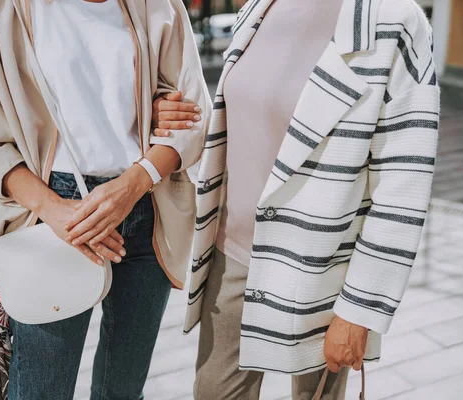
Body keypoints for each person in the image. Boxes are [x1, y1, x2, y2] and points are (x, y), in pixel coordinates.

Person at [154, 0, 440, 398]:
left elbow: (403, 186)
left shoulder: (392, 19)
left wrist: (358, 312)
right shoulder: (258, 6)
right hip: (230, 256)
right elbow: (242, 114)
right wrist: (164, 111)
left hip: (320, 272)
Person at [0, 0, 211, 398]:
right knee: (42, 390)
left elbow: (195, 114)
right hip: (53, 212)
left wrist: (132, 184)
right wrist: (55, 210)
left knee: (123, 391)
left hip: (146, 201)